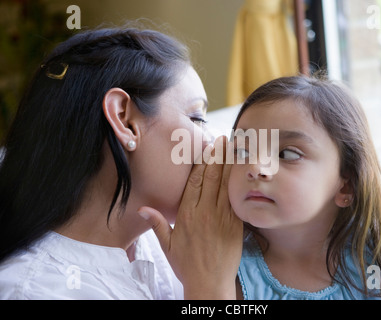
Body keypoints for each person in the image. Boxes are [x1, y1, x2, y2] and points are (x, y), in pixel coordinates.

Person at [0, 27, 243, 299]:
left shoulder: (166, 241)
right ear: (124, 119)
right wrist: (209, 289)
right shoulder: (37, 291)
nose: (213, 144)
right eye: (196, 118)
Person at [228, 75, 381, 300]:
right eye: (242, 151)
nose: (255, 167)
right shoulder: (227, 267)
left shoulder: (369, 264)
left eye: (287, 154)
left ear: (346, 185)